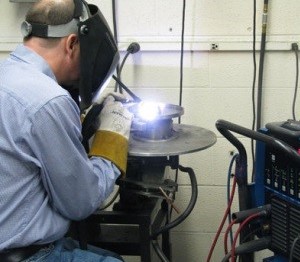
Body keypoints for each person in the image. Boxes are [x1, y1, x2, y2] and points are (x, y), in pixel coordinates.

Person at [0, 0, 133, 261]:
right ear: (71, 44)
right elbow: (80, 203)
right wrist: (112, 138)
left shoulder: (7, 76)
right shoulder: (49, 100)